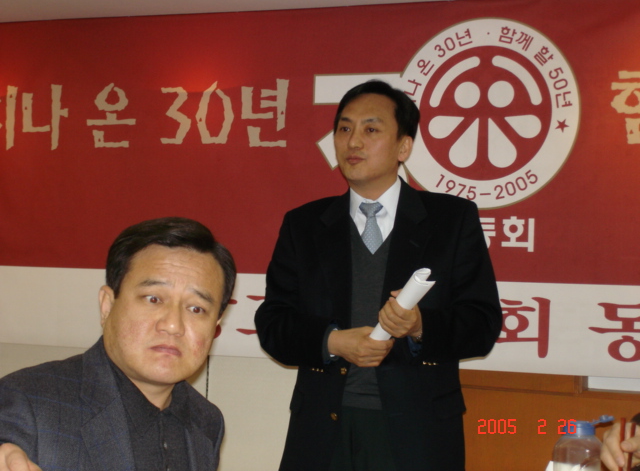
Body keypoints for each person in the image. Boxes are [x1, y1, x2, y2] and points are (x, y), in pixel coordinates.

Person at [255, 80, 502, 471]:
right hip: (323, 428)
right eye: (344, 128)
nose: (353, 141)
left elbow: (482, 324)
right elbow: (273, 324)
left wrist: (420, 326)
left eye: (371, 129)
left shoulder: (451, 220)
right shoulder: (303, 225)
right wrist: (333, 341)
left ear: (404, 147)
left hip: (417, 432)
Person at [0, 217, 236, 471]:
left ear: (215, 324)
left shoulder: (207, 420)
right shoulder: (28, 400)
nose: (172, 325)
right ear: (107, 305)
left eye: (196, 309)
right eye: (154, 299)